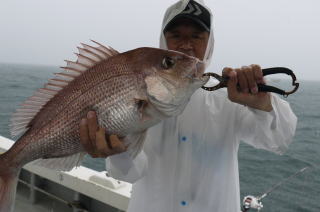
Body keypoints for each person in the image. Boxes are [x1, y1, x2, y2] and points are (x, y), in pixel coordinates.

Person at [79, 0, 297, 211]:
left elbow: (280, 140)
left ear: (209, 43)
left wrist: (262, 104)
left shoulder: (231, 96)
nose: (186, 44)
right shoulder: (138, 96)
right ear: (163, 41)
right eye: (176, 35)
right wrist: (118, 152)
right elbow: (128, 175)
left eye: (196, 36)